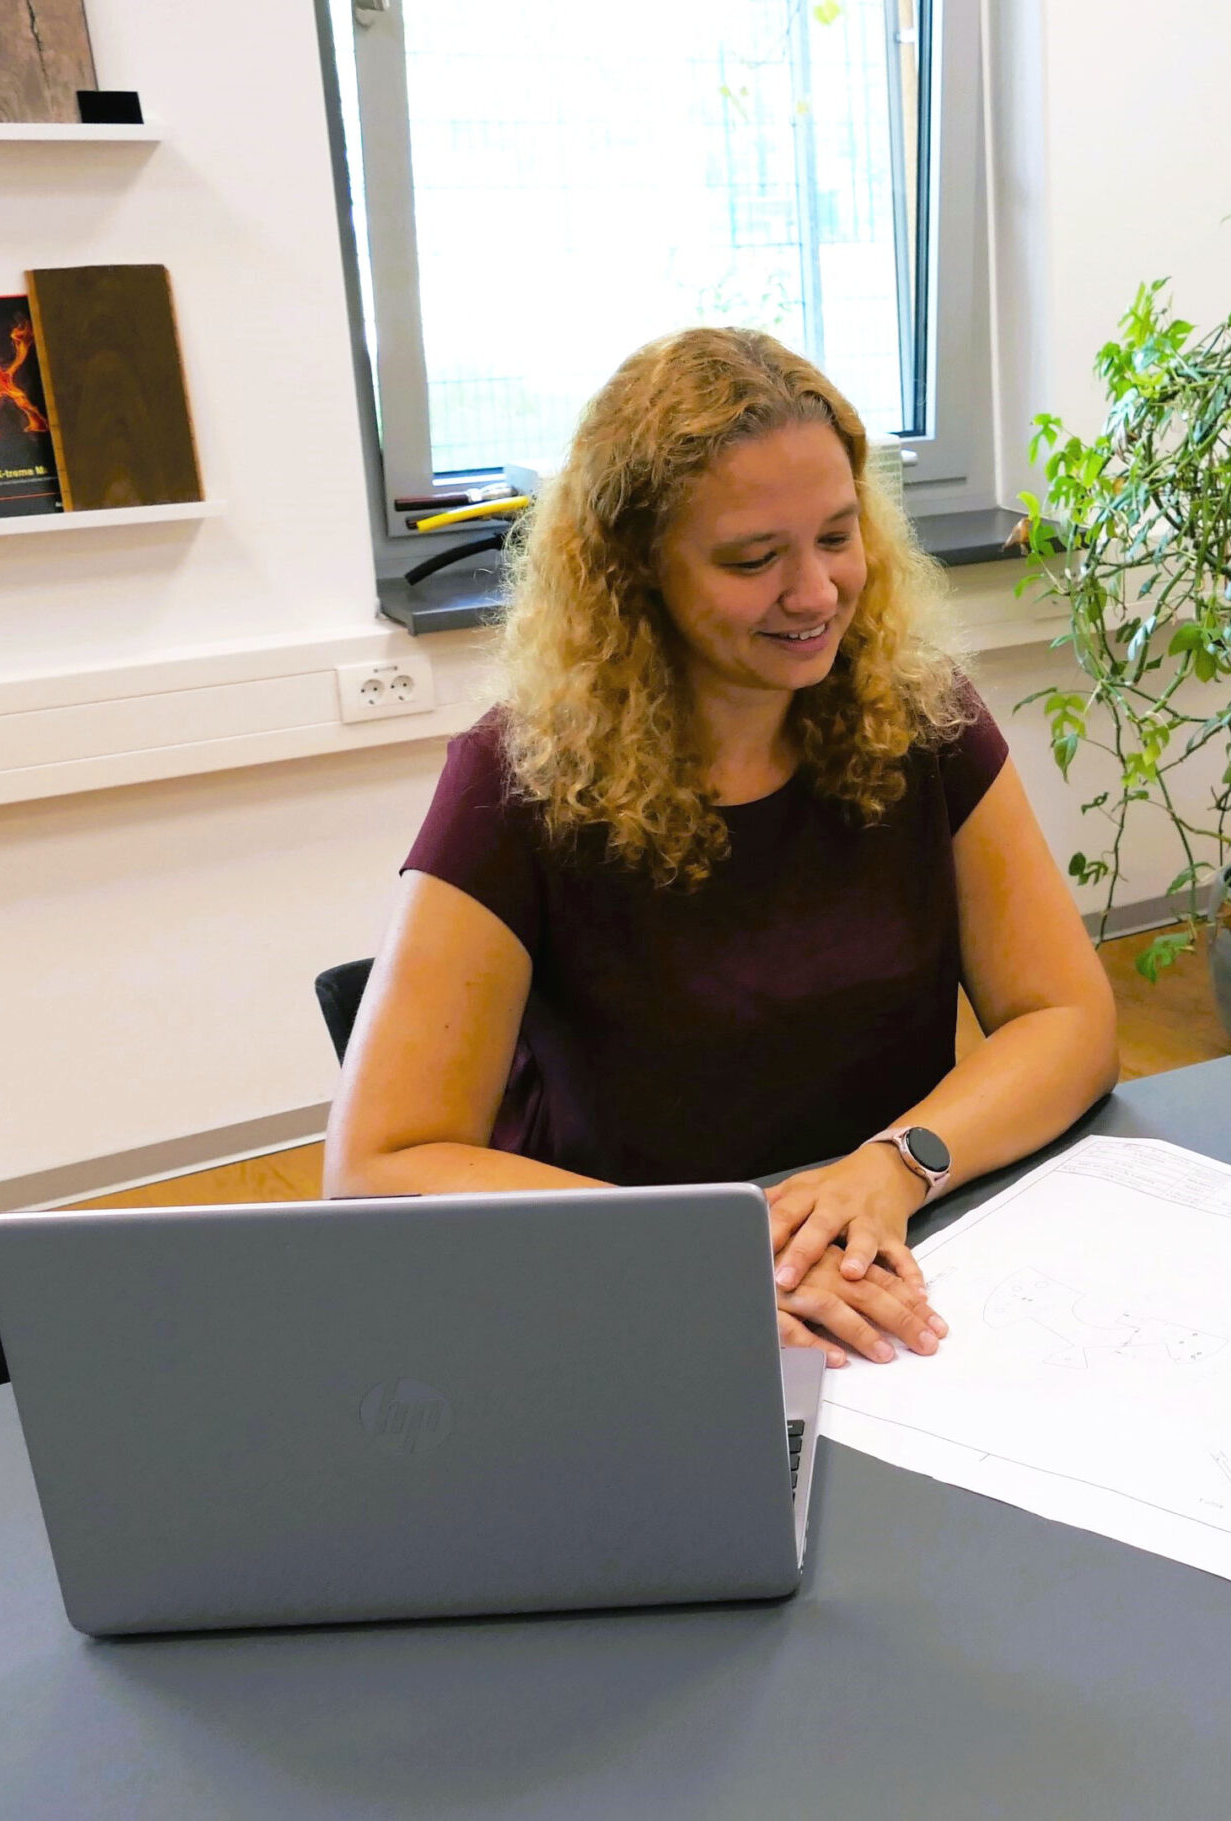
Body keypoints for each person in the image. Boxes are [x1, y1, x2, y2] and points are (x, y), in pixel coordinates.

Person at [327, 327, 1118, 1370]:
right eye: (754, 559)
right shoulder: (519, 779)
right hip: (626, 1293)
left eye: (838, 536)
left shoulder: (920, 716)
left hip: (881, 1250)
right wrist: (701, 1249)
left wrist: (897, 1163)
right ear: (634, 572)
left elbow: (1068, 1017)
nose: (818, 592)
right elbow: (379, 1163)